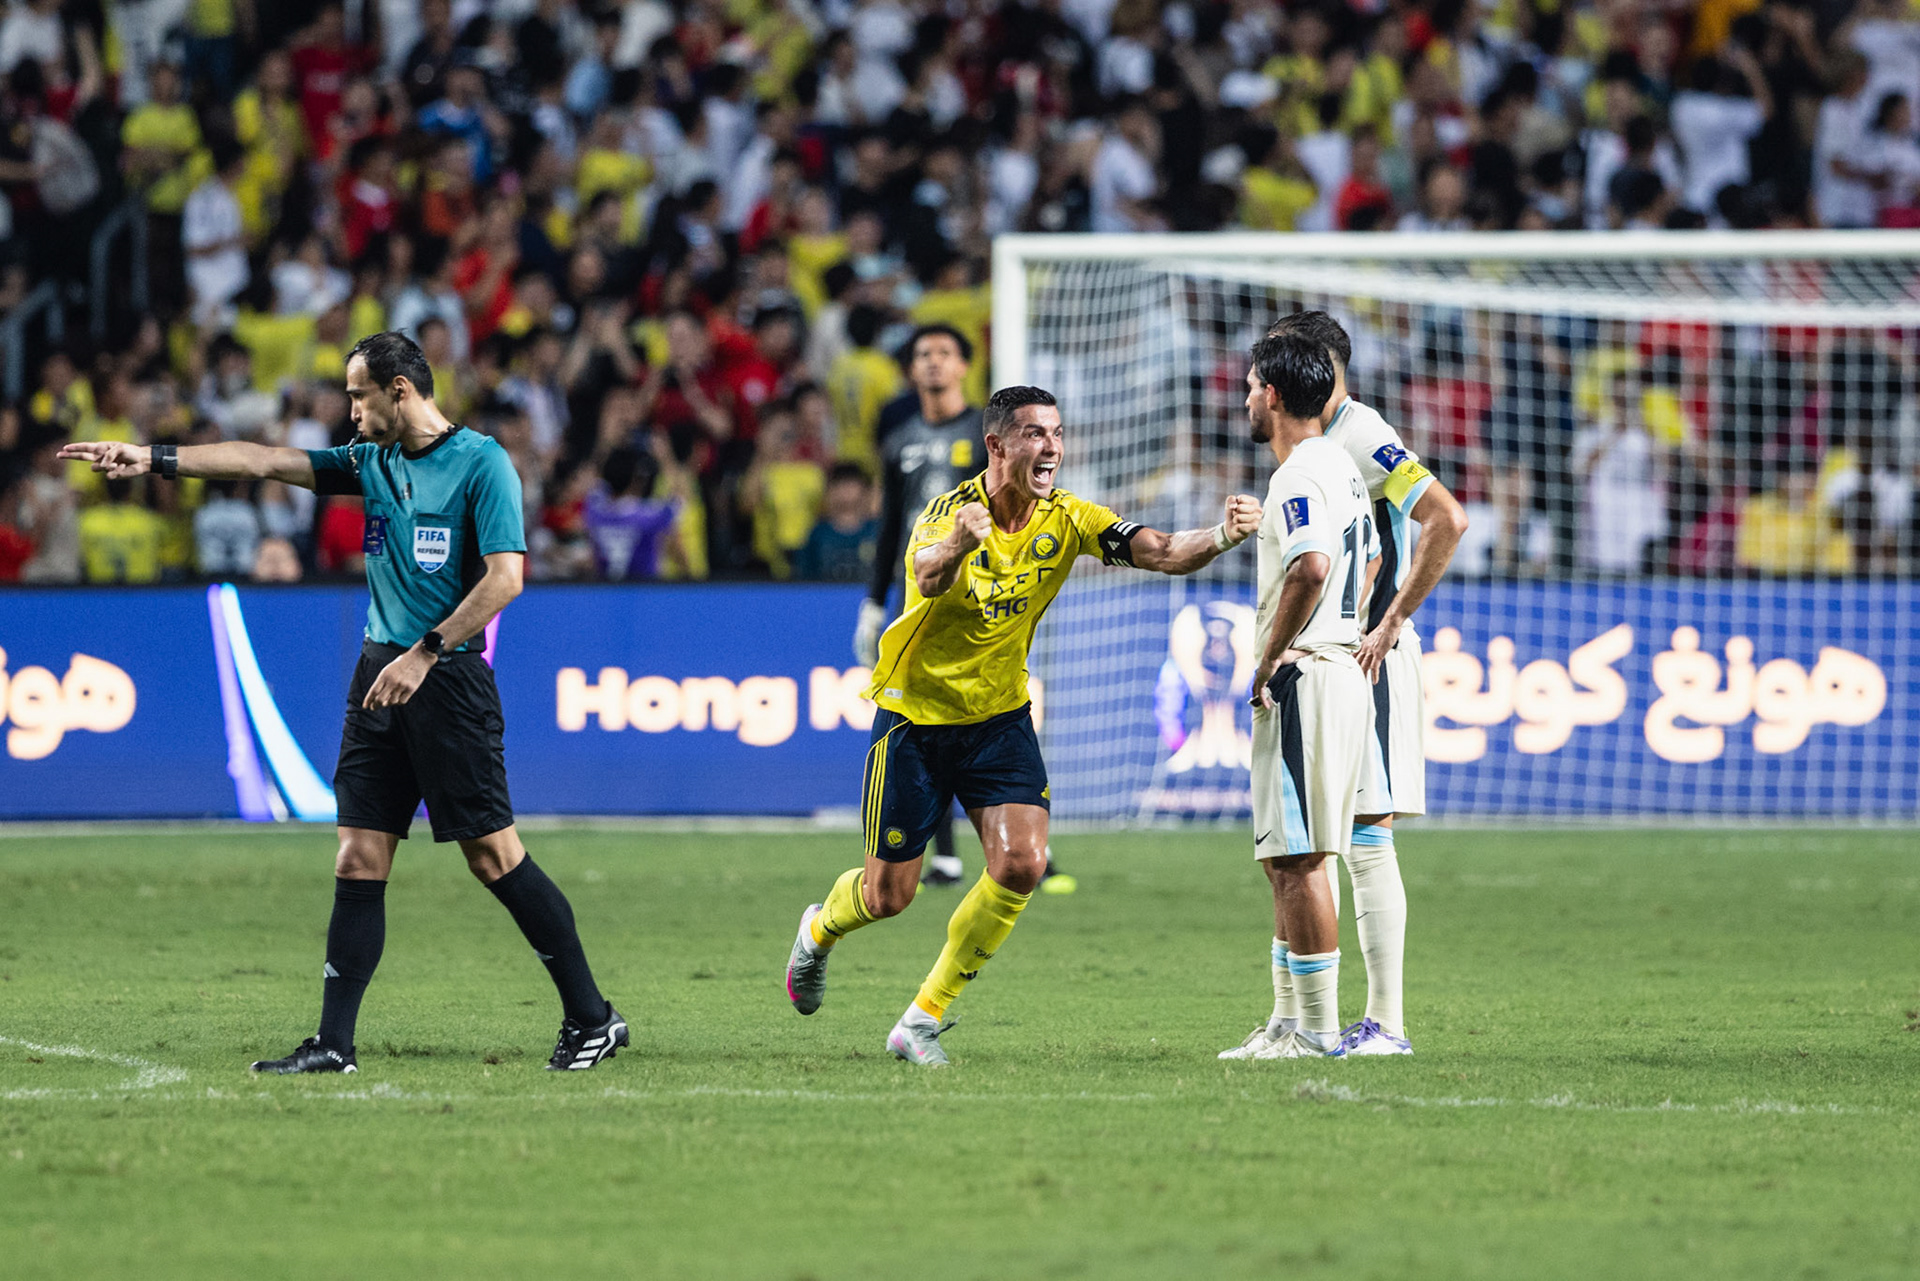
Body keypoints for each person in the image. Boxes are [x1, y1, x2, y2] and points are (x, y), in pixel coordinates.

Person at [60, 332, 625, 1075]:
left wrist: (425, 651)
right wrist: (152, 456)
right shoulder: (371, 462)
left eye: (359, 395)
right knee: (358, 854)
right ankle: (333, 1042)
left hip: (446, 675)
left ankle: (593, 1016)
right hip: (377, 673)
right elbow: (262, 459)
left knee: (492, 856)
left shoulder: (481, 463)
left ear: (399, 390)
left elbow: (506, 579)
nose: (348, 410)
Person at [784, 385, 1263, 1066]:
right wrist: (957, 544)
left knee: (1021, 862)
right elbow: (923, 573)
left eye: (1058, 434)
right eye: (1035, 433)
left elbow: (1158, 549)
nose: (1051, 448)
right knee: (887, 894)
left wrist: (1220, 536)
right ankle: (817, 931)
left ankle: (921, 1018)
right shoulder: (950, 511)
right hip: (915, 722)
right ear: (997, 445)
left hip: (1000, 718)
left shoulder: (1069, 517)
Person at [1220, 310, 1465, 1061]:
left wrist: (1391, 621)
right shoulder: (1325, 453)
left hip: (1356, 648)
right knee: (1300, 847)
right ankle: (1291, 1018)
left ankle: (1379, 1021)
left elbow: (1445, 518)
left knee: (1354, 838)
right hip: (1341, 642)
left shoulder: (1353, 435)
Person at [1234, 330, 1377, 1059]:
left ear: (1277, 395)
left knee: (1300, 856)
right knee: (1285, 855)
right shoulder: (1340, 468)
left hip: (1307, 674)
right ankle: (1289, 1021)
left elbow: (1312, 566)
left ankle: (1317, 1031)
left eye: (1253, 384)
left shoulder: (1295, 475)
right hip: (1336, 667)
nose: (1247, 397)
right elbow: (1371, 554)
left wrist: (1268, 660)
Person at [853, 324, 992, 889]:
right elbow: (891, 527)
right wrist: (871, 601)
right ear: (912, 371)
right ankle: (947, 855)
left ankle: (1032, 840)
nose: (933, 363)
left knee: (996, 713)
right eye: (922, 355)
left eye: (944, 353)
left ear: (963, 366)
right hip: (919, 599)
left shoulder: (988, 434)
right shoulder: (898, 438)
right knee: (925, 716)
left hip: (984, 598)